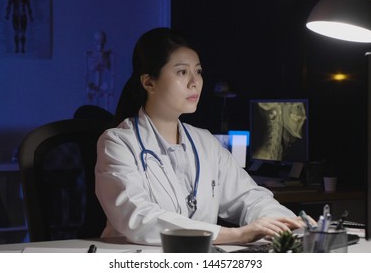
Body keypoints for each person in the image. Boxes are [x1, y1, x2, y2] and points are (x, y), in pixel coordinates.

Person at [95, 27, 307, 246]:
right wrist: (235, 235)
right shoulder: (118, 143)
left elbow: (249, 197)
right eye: (182, 72)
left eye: (198, 71)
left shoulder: (205, 143)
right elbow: (138, 218)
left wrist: (287, 225)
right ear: (149, 82)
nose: (194, 82)